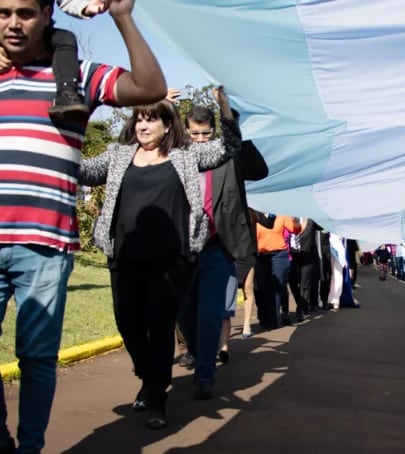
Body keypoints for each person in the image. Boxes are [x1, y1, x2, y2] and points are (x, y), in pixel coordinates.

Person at [0, 0, 165, 449]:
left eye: (25, 13)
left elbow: (150, 86)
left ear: (47, 17)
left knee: (35, 358)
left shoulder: (73, 76)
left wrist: (122, 17)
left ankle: (30, 445)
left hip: (44, 243)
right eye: (3, 12)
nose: (14, 23)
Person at [79, 99, 240, 429]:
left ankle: (156, 398)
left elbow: (229, 148)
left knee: (160, 325)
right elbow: (83, 171)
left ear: (168, 126)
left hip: (171, 261)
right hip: (124, 257)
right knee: (128, 325)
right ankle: (150, 376)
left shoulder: (185, 155)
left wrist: (225, 109)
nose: (142, 126)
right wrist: (77, 120)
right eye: (139, 119)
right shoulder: (119, 154)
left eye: (151, 120)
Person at [172, 87, 269, 400]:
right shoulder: (178, 157)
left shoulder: (226, 152)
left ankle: (204, 374)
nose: (201, 140)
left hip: (219, 246)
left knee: (212, 312)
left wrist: (227, 112)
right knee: (184, 315)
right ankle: (200, 354)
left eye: (206, 133)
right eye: (195, 134)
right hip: (183, 248)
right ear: (186, 132)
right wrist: (164, 108)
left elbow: (258, 169)